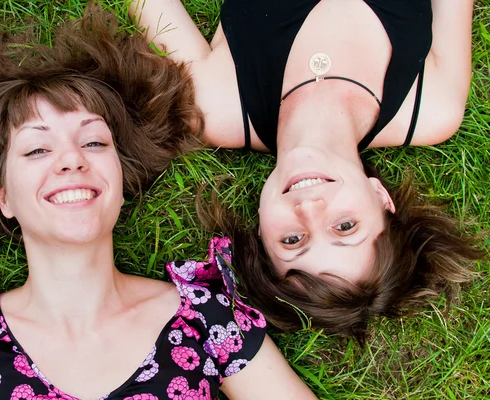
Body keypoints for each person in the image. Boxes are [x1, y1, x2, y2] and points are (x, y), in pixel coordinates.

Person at [0, 7, 317, 400]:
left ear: (120, 179)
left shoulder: (206, 318)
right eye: (37, 150)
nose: (72, 159)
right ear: (5, 199)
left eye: (93, 141)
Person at [129, 0, 484, 341]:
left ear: (262, 233)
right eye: (345, 226)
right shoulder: (432, 106)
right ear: (381, 198)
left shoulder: (215, 106)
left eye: (292, 240)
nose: (308, 208)